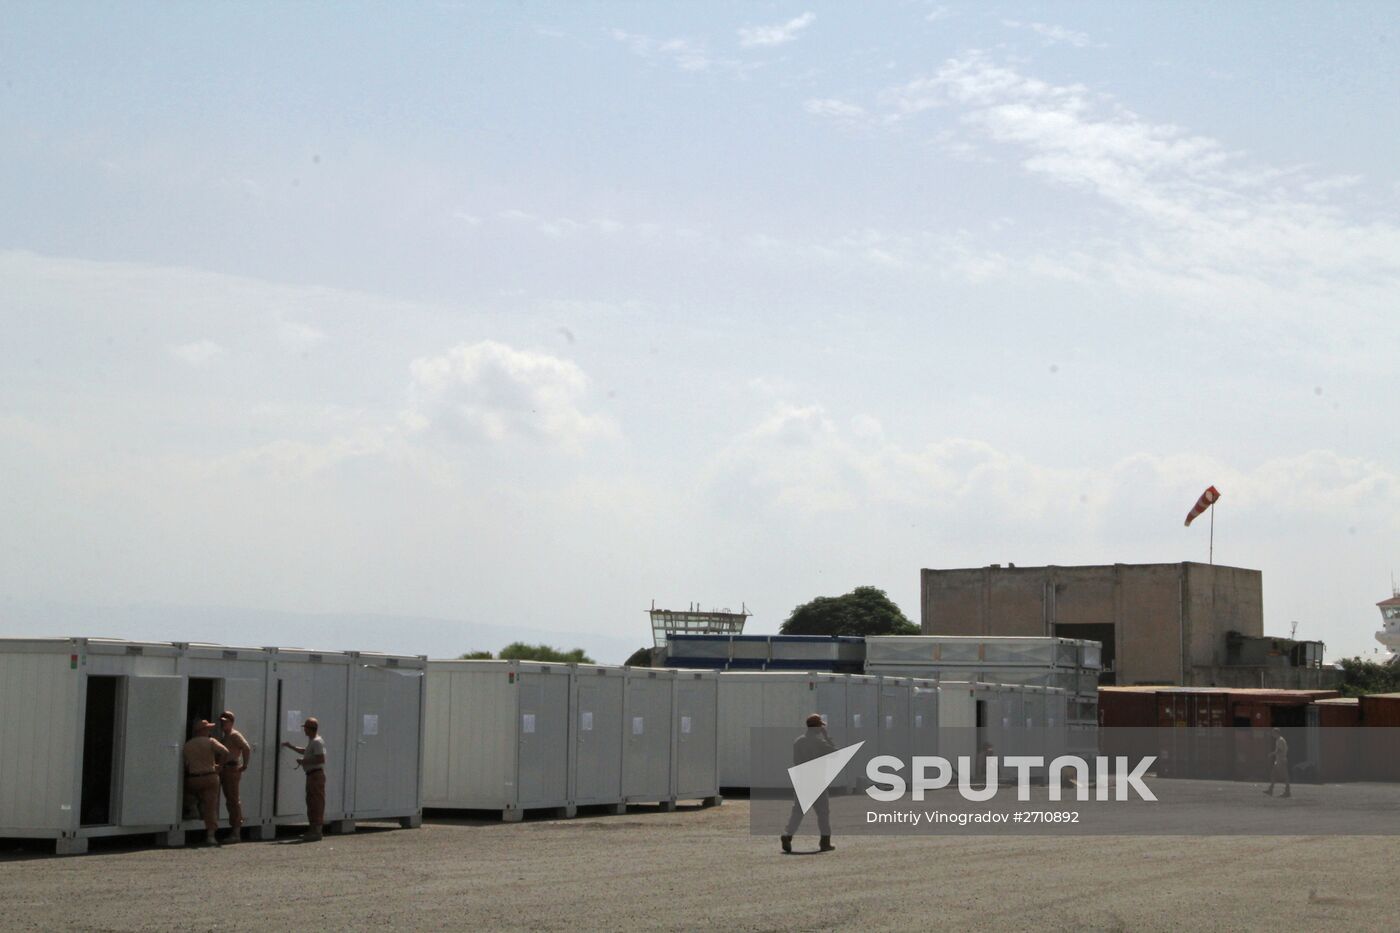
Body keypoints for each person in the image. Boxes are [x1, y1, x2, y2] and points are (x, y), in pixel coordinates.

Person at [780, 714, 837, 854]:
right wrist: (827, 736)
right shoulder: (819, 742)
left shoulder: (798, 741)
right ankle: (825, 842)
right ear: (817, 727)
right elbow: (835, 753)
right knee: (823, 813)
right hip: (817, 781)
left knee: (798, 811)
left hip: (801, 781)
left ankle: (788, 835)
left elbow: (796, 761)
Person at [182, 720, 229, 847]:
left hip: (193, 778)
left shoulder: (187, 745)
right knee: (210, 807)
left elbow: (185, 765)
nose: (209, 731)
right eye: (208, 729)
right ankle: (211, 836)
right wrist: (220, 766)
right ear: (202, 731)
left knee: (186, 792)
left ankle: (193, 810)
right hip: (210, 777)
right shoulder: (211, 741)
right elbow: (225, 752)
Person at [282, 717, 327, 841]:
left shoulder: (317, 742)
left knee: (316, 803)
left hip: (316, 775)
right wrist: (291, 747)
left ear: (310, 729)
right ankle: (312, 830)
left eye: (305, 728)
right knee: (311, 802)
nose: (304, 730)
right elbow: (306, 751)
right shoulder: (313, 741)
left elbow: (321, 759)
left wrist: (304, 761)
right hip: (311, 775)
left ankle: (317, 831)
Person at [216, 710, 252, 843]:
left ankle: (236, 832)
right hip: (225, 769)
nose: (223, 724)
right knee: (229, 799)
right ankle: (234, 829)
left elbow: (246, 748)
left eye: (225, 722)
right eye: (221, 722)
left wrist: (245, 765)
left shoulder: (234, 735)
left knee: (233, 800)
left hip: (232, 769)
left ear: (231, 722)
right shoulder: (225, 736)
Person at [1264, 727, 1291, 798]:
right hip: (1279, 760)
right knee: (1274, 774)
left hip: (1281, 760)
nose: (1272, 734)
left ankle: (1287, 792)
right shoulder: (1279, 740)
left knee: (1285, 776)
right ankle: (1271, 790)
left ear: (1277, 733)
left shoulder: (1280, 740)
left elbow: (1280, 750)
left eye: (1273, 733)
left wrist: (1272, 754)